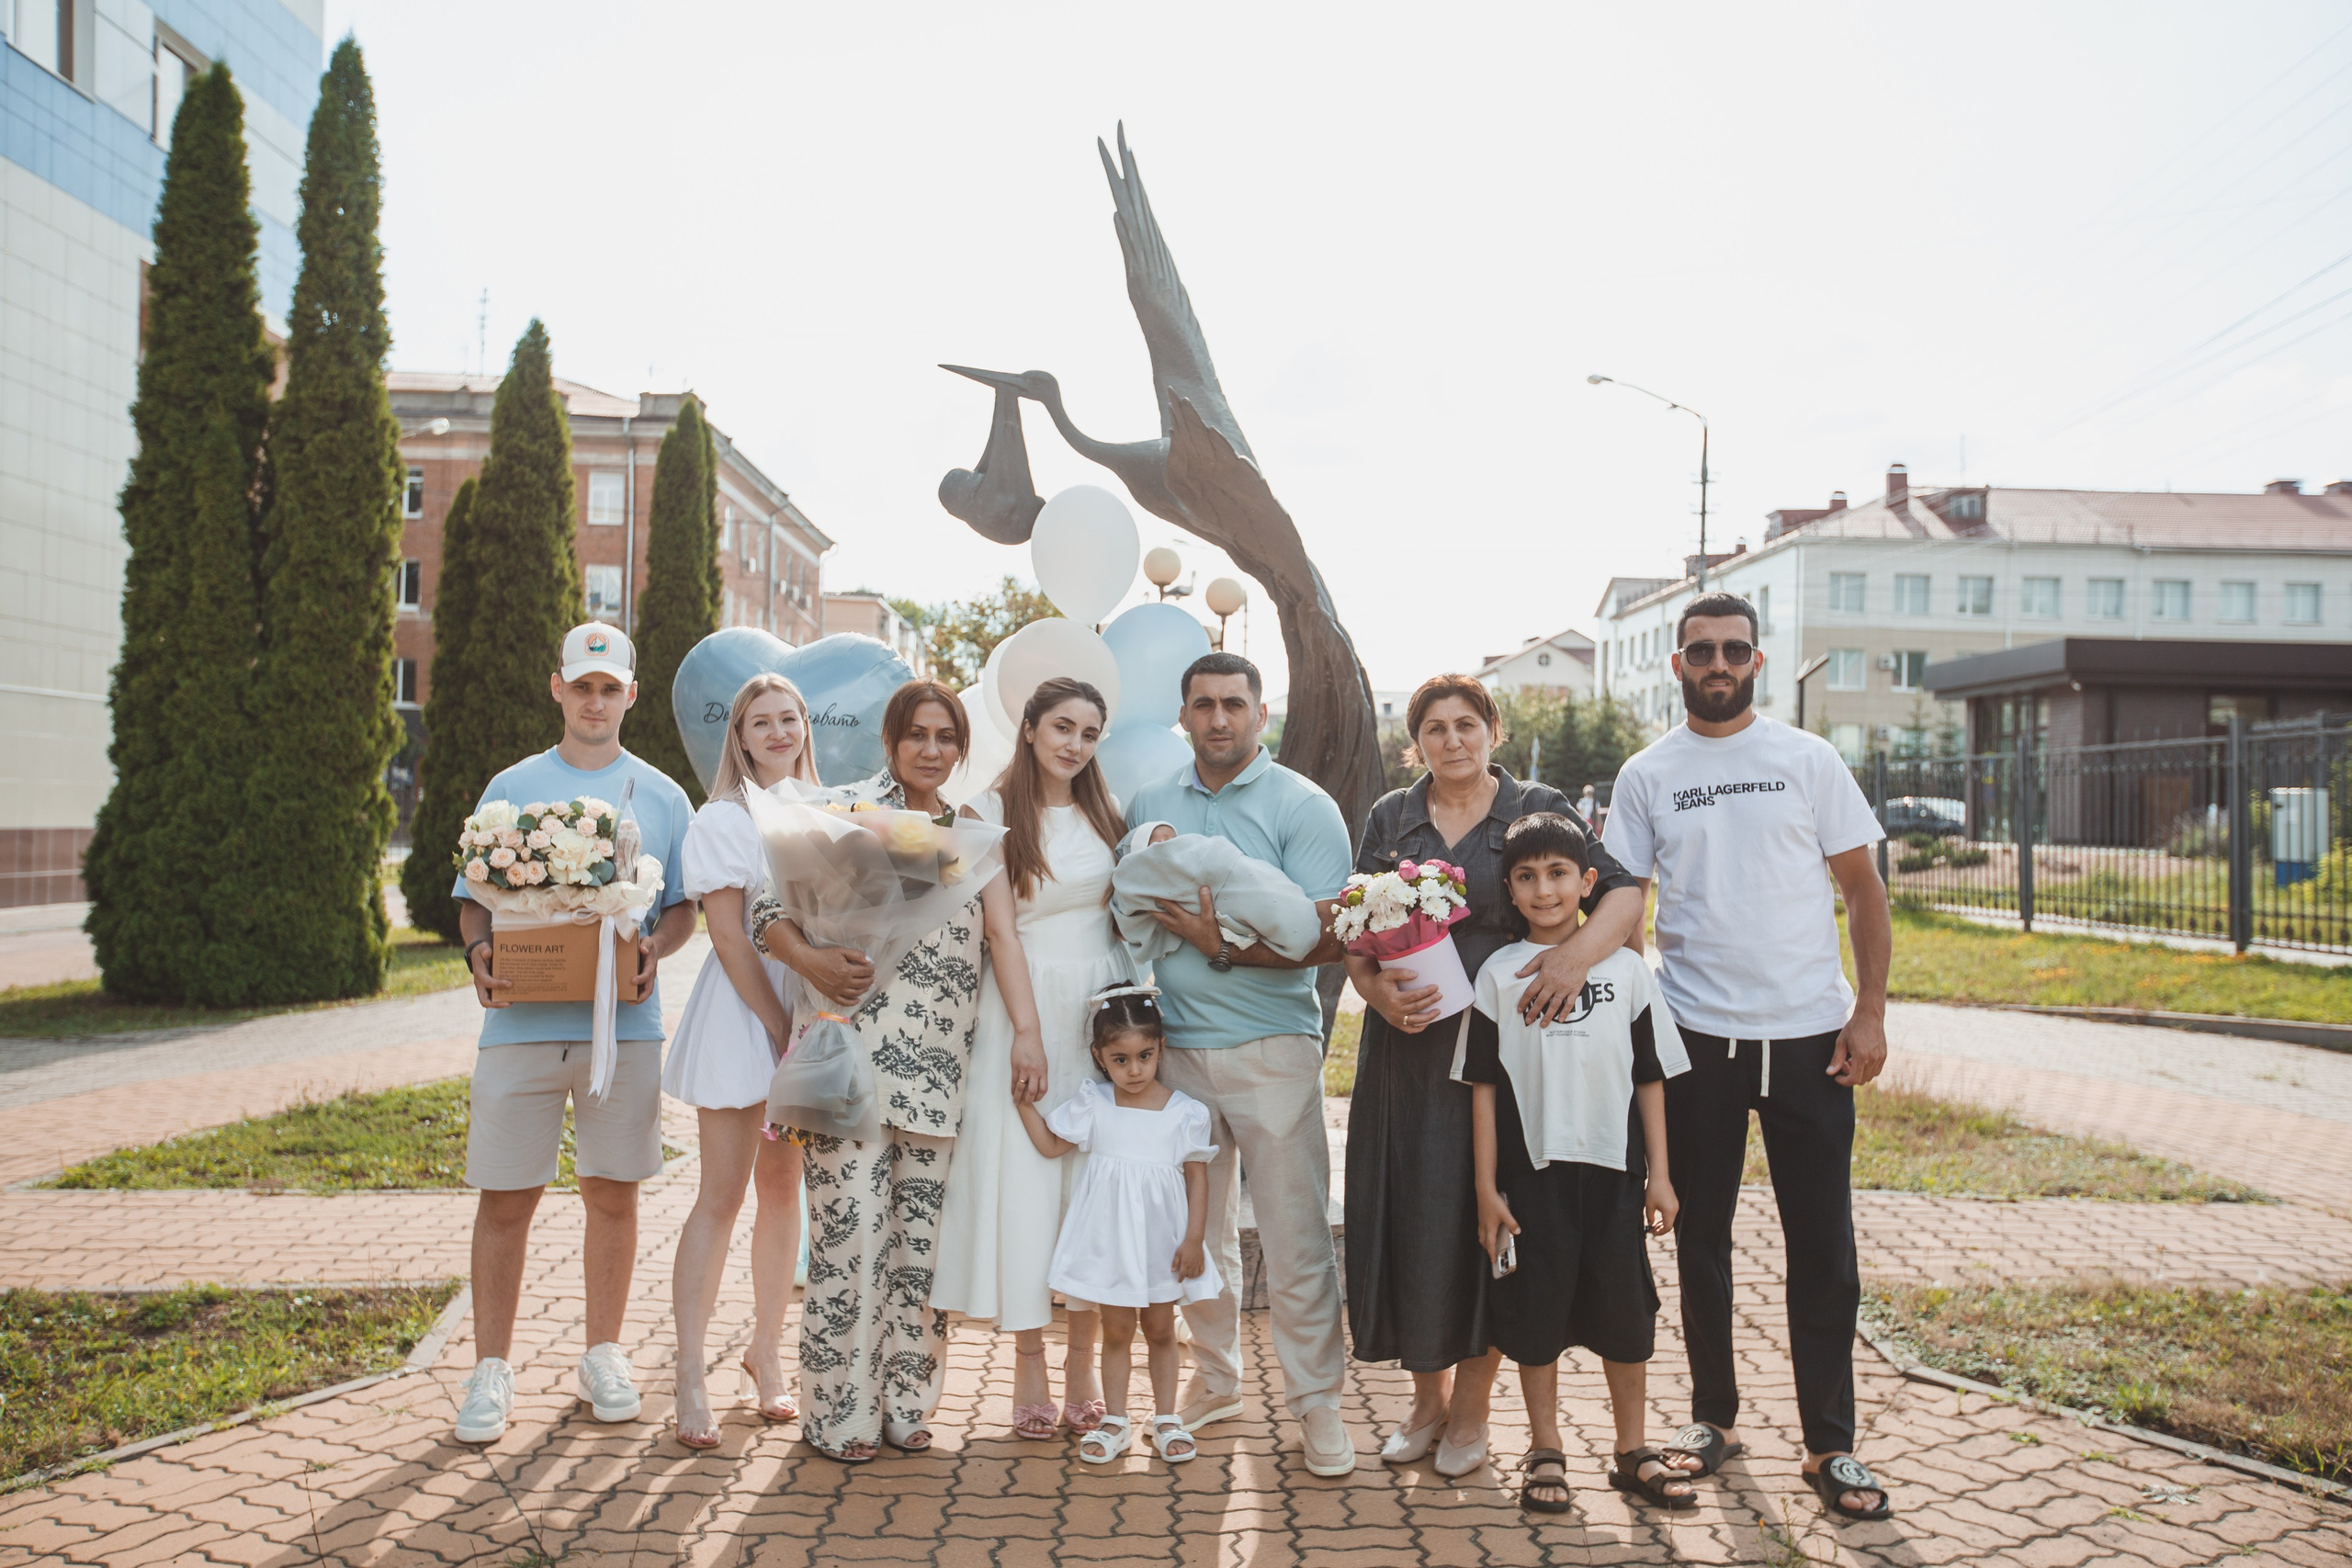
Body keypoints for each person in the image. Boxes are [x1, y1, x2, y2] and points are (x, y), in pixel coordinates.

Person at [1601, 591, 1895, 1522]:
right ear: (1678, 664)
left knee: (1824, 1246)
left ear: (1756, 663)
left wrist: (1871, 1011)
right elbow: (1622, 908)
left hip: (1811, 1037)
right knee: (1700, 1238)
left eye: (1733, 650)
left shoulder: (1806, 760)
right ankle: (1712, 1420)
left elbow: (1861, 890)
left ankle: (1829, 1444)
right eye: (1701, 652)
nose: (1717, 664)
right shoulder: (1647, 775)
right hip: (1697, 1038)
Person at [1345, 674, 1645, 1477]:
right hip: (1406, 1057)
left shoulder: (1537, 804)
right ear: (1416, 742)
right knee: (1415, 1221)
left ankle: (1473, 1411)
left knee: (1492, 1224)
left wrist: (1573, 960)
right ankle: (1427, 1402)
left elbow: (1620, 895)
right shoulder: (1390, 817)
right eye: (1434, 728)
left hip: (1513, 1058)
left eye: (1466, 724)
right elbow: (1353, 933)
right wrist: (1377, 994)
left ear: (1493, 729)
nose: (1452, 740)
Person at [450, 622, 695, 1446]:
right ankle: (492, 1367)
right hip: (520, 1024)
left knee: (612, 1191)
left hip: (621, 1028)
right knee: (506, 1197)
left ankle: (602, 1354)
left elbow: (686, 902)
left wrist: (658, 945)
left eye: (610, 688)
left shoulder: (662, 795)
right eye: (581, 686)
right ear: (557, 687)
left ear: (629, 694)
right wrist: (481, 952)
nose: (595, 701)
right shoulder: (510, 786)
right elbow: (473, 896)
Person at [1122, 651, 1359, 1478]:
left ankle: (1317, 1403)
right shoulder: (1152, 802)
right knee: (1196, 1235)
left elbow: (1327, 936)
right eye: (1202, 705)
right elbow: (1129, 908)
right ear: (1183, 714)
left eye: (1233, 704)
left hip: (1273, 1052)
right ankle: (1217, 1377)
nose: (1218, 718)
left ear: (1262, 713)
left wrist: (1215, 942)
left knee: (1295, 1238)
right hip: (1175, 1054)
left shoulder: (1304, 804)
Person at [752, 679, 997, 1461]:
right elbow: (766, 909)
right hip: (848, 1064)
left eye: (946, 736)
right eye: (917, 733)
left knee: (920, 1245)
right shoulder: (847, 809)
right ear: (891, 738)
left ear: (960, 747)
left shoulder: (973, 837)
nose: (932, 749)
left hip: (939, 1072)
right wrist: (811, 959)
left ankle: (907, 1404)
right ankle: (838, 1414)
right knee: (849, 1240)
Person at [1459, 813, 1694, 1515]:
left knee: (1627, 1315)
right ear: (1510, 887)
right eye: (1527, 876)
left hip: (1616, 1175)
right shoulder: (1498, 975)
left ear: (1588, 881)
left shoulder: (1625, 972)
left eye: (1559, 873)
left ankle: (1631, 1449)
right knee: (1535, 1314)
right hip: (1533, 1178)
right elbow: (1483, 1089)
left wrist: (1661, 1172)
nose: (1544, 889)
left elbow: (1650, 1076)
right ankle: (1546, 1447)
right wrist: (1484, 1188)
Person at [933, 676, 1128, 1439]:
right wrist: (1025, 1029)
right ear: (1030, 728)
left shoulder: (1108, 811)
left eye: (1088, 732)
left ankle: (1083, 1362)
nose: (1074, 744)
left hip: (1101, 1001)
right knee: (1025, 1176)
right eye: (1062, 727)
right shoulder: (984, 811)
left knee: (1087, 1178)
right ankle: (1028, 1360)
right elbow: (1000, 932)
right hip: (1025, 999)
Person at [663, 673, 820, 1449]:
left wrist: (813, 1018)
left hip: (808, 1010)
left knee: (784, 1189)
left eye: (789, 717)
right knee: (720, 1196)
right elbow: (728, 937)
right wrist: (776, 1025)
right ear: (740, 736)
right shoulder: (722, 819)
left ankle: (766, 1352)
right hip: (744, 1012)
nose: (779, 730)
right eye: (762, 721)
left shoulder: (826, 806)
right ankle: (690, 1370)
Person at [1010, 986, 1218, 1466]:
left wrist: (1194, 1239)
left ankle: (1166, 1418)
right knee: (1118, 1331)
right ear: (1099, 1058)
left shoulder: (1186, 1112)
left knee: (1163, 1329)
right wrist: (1023, 1104)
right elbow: (1050, 1146)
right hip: (1112, 1246)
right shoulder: (1094, 1103)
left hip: (1163, 1244)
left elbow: (1198, 1179)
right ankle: (1116, 1419)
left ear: (1161, 1048)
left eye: (1145, 1056)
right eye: (1120, 1059)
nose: (1135, 1070)